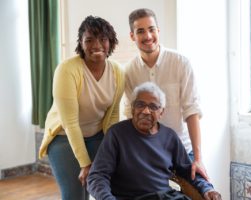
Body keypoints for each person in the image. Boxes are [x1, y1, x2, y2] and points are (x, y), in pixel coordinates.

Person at [87, 82, 221, 200]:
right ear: (133, 109)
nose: (146, 111)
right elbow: (97, 176)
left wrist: (207, 189)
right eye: (140, 105)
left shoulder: (170, 137)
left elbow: (187, 171)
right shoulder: (116, 134)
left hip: (165, 196)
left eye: (153, 107)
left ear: (161, 112)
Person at [38, 16, 124, 200]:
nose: (96, 45)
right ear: (81, 43)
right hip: (63, 137)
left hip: (97, 135)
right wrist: (85, 164)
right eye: (89, 40)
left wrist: (113, 149)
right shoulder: (67, 70)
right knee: (76, 195)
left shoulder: (118, 71)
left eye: (103, 39)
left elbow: (113, 115)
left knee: (112, 186)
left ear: (111, 42)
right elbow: (70, 123)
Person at [124, 8, 209, 181]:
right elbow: (130, 116)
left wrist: (198, 159)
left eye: (151, 29)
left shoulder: (181, 63)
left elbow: (192, 111)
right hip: (146, 152)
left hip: (183, 151)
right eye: (140, 31)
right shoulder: (128, 72)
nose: (148, 36)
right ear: (132, 36)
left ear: (158, 31)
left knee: (203, 191)